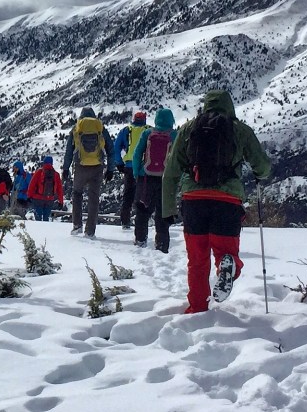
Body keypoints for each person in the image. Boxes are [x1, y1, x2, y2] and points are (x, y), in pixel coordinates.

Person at [163, 89, 271, 313]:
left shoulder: (189, 129)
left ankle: (197, 308)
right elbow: (262, 166)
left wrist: (168, 209)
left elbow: (171, 171)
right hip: (227, 201)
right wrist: (260, 174)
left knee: (197, 260)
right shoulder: (240, 130)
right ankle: (226, 265)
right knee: (226, 252)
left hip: (193, 200)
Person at [129, 107, 177, 251]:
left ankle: (140, 240)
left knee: (142, 211)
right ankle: (162, 245)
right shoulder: (174, 135)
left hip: (146, 178)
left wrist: (137, 172)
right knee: (163, 213)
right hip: (166, 179)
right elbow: (179, 158)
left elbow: (137, 154)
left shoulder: (147, 133)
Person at [62, 106, 109, 236]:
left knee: (77, 194)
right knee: (94, 197)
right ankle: (90, 230)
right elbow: (110, 148)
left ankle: (77, 225)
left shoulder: (77, 128)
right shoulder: (100, 127)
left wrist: (65, 168)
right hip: (97, 167)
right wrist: (110, 168)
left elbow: (69, 151)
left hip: (80, 166)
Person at [115, 111, 150, 228]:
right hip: (145, 167)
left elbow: (116, 147)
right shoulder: (148, 130)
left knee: (128, 195)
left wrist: (119, 163)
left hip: (129, 166)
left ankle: (125, 221)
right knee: (144, 194)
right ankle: (144, 220)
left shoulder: (126, 130)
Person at [27, 155, 65, 221]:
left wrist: (29, 196)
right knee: (46, 218)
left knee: (38, 218)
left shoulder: (39, 172)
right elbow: (60, 189)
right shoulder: (56, 174)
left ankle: (38, 227)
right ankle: (45, 226)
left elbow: (32, 185)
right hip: (49, 199)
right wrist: (61, 201)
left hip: (38, 199)